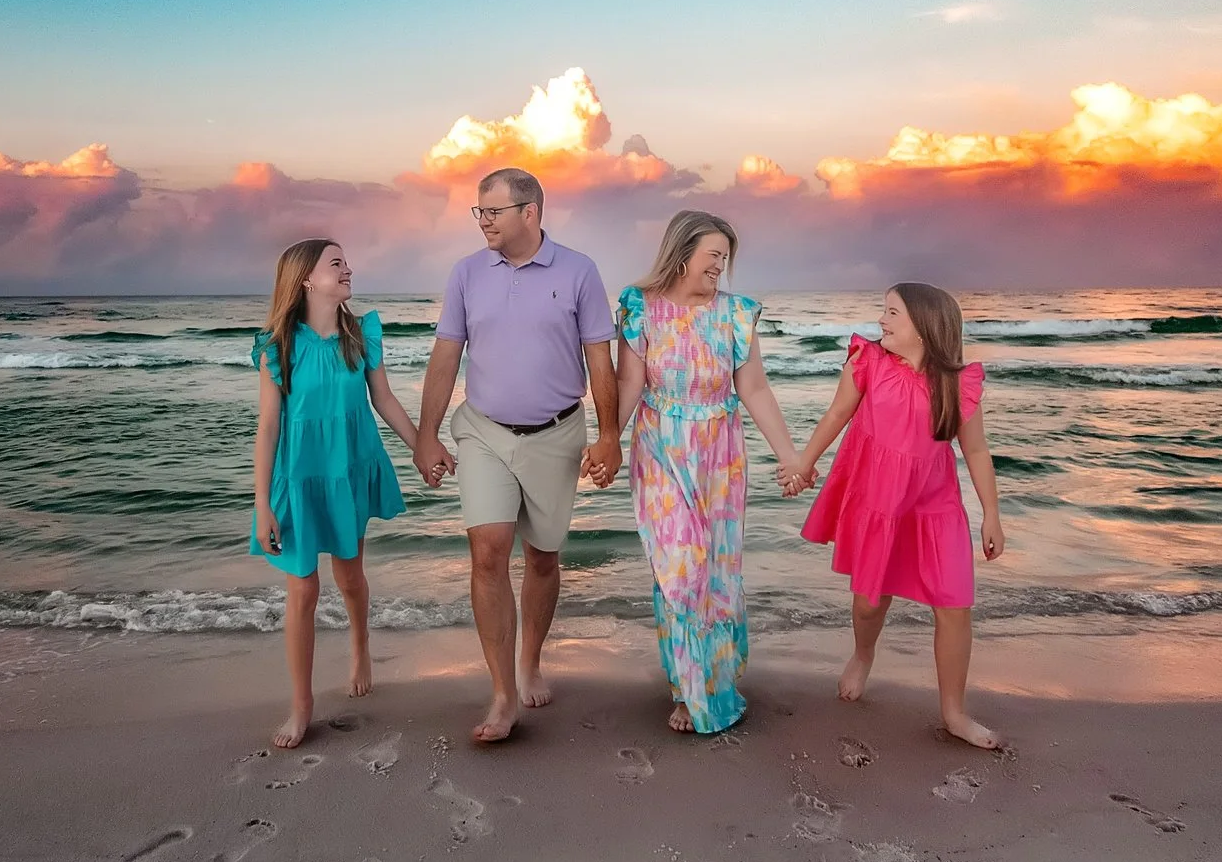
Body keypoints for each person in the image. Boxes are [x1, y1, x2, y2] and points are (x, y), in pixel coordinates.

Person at [411, 167, 621, 743]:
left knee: (544, 557)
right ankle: (503, 693)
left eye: (493, 212)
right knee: (488, 552)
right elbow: (446, 356)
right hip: (483, 432)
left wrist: (610, 437)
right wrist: (425, 434)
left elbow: (600, 361)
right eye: (478, 212)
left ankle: (530, 658)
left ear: (530, 212)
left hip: (557, 435)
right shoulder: (466, 274)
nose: (483, 222)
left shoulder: (579, 271)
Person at [781, 282, 1006, 749]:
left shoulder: (957, 383)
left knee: (955, 605)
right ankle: (864, 654)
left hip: (935, 506)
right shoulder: (867, 362)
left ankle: (955, 714)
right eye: (883, 311)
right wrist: (805, 462)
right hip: (878, 502)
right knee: (868, 601)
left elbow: (978, 451)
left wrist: (991, 514)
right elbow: (836, 415)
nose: (881, 320)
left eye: (892, 313)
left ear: (924, 328)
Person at [611, 209, 807, 735]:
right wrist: (606, 440)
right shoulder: (640, 308)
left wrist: (789, 454)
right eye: (713, 254)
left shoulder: (737, 315)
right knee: (680, 570)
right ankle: (688, 688)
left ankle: (710, 685)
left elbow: (756, 389)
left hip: (721, 453)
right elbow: (628, 385)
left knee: (717, 572)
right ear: (681, 253)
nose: (720, 265)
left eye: (725, 257)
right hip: (661, 449)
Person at [249, 238, 419, 750]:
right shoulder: (277, 345)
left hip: (348, 468)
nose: (349, 269)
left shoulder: (360, 334)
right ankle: (302, 705)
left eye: (347, 261)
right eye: (337, 263)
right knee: (303, 589)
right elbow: (268, 427)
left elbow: (383, 398)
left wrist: (420, 446)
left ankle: (360, 643)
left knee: (349, 576)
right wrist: (262, 504)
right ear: (306, 279)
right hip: (299, 478)